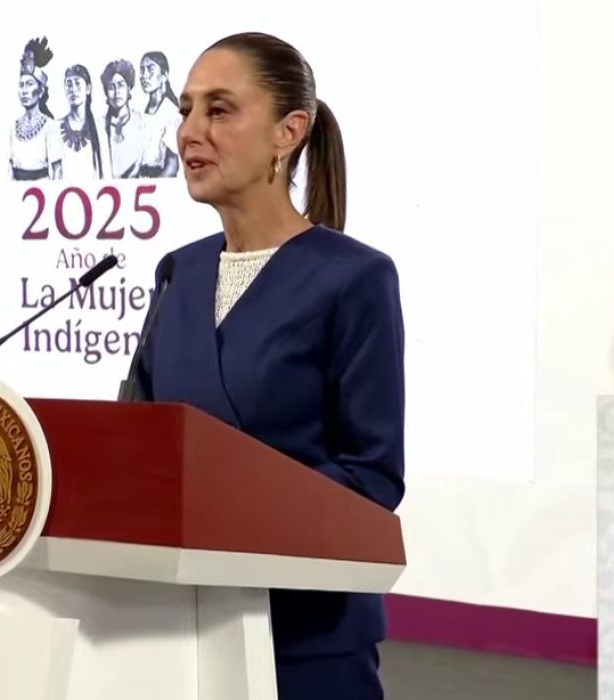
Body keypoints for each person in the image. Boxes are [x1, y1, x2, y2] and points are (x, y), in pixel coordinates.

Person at [133, 32, 405, 699]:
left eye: (219, 110)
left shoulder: (356, 279)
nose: (189, 132)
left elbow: (372, 474)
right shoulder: (177, 274)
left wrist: (232, 516)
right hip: (178, 630)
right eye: (186, 110)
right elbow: (138, 446)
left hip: (306, 639)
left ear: (289, 132)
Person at [10, 37, 63, 180]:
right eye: (21, 85)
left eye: (29, 84)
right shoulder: (12, 127)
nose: (24, 91)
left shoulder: (51, 126)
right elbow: (9, 170)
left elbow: (57, 172)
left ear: (40, 91)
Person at [100, 59, 151, 178]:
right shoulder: (98, 126)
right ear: (106, 92)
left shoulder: (144, 122)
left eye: (121, 85)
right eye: (111, 87)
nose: (117, 92)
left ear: (129, 88)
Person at [138, 51, 181, 177]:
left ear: (164, 76)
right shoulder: (143, 111)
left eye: (150, 69)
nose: (145, 75)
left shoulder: (170, 112)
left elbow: (172, 167)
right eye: (142, 70)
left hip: (159, 180)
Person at [57, 64, 105, 179]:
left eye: (77, 83)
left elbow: (105, 174)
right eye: (69, 84)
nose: (73, 89)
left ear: (88, 88)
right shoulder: (55, 128)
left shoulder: (99, 128)